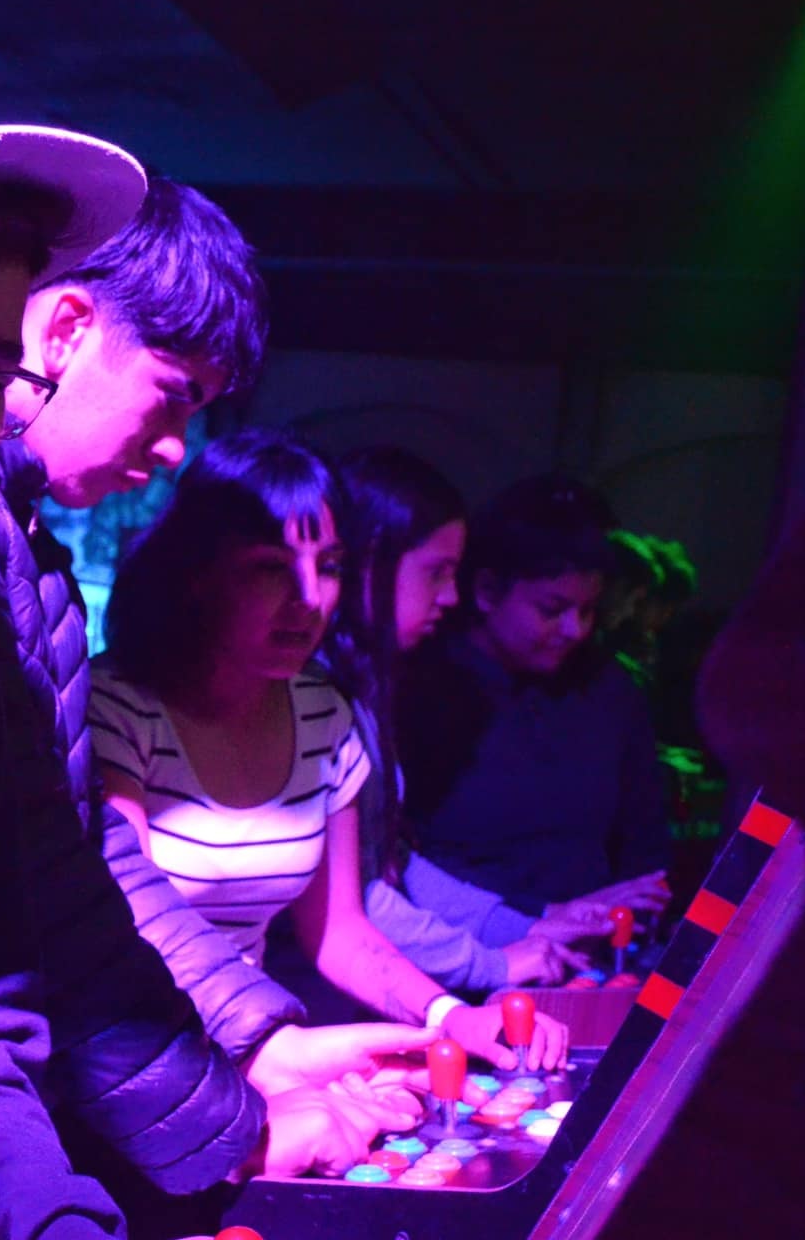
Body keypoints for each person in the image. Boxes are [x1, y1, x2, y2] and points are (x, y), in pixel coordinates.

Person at [0, 182, 435, 1173]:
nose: (168, 450)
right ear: (67, 331)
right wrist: (229, 1120)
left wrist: (259, 1042)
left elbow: (76, 864)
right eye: (170, 394)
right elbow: (36, 917)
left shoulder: (17, 547)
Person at [90, 430, 570, 1070]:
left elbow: (340, 931)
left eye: (330, 566)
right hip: (144, 1058)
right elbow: (128, 934)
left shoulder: (323, 712)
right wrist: (270, 1058)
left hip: (254, 1050)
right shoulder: (116, 706)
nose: (310, 598)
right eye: (272, 568)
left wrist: (451, 1016)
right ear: (198, 574)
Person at [329, 446, 619, 992]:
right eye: (437, 573)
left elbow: (394, 863)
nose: (451, 596)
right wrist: (493, 963)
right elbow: (357, 899)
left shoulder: (363, 688)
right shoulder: (319, 696)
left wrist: (527, 929)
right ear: (369, 562)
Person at [398, 474, 673, 918]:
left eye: (587, 610)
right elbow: (405, 865)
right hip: (466, 943)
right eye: (552, 609)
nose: (574, 630)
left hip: (596, 943)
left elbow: (644, 841)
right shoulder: (420, 689)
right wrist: (538, 918)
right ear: (487, 592)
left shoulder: (608, 688)